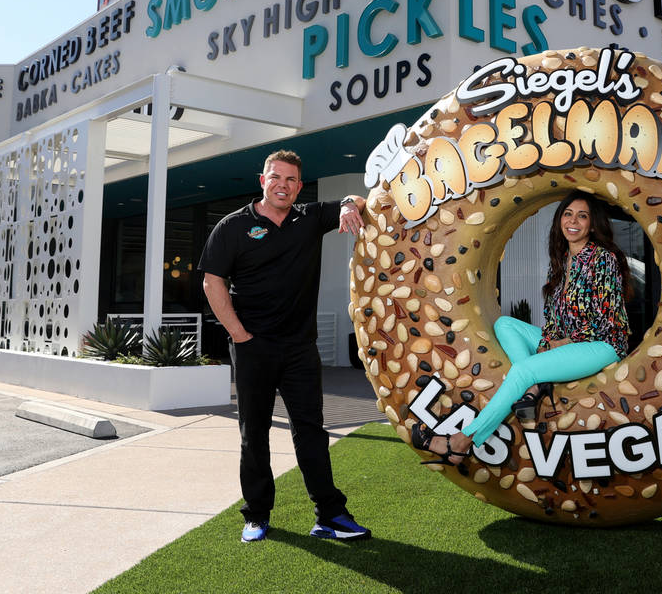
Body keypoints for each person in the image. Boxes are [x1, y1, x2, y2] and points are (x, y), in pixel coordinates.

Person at [198, 150, 372, 543]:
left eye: (292, 179)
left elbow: (359, 200)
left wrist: (347, 205)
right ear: (263, 180)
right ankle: (257, 515)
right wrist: (240, 335)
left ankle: (330, 514)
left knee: (311, 430)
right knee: (253, 433)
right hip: (253, 348)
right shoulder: (233, 226)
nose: (284, 185)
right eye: (276, 177)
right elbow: (212, 282)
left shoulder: (308, 218)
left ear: (299, 185)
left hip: (299, 349)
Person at [413, 192, 631, 462]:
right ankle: (534, 389)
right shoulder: (561, 260)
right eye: (567, 214)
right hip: (564, 343)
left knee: (523, 369)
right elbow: (553, 318)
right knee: (505, 324)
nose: (573, 221)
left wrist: (559, 344)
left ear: (593, 225)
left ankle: (461, 441)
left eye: (582, 216)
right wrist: (549, 341)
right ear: (559, 220)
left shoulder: (603, 259)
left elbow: (605, 319)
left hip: (601, 345)